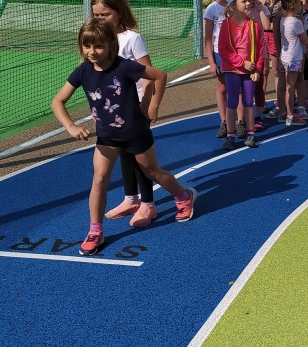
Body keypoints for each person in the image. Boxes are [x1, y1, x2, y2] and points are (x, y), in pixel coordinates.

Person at [52, 19, 198, 256]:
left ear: (111, 44)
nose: (92, 52)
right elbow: (58, 101)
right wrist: (71, 127)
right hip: (106, 137)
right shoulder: (83, 71)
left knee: (152, 171)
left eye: (98, 46)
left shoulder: (125, 67)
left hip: (135, 133)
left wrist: (152, 106)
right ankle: (95, 230)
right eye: (86, 46)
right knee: (99, 179)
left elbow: (160, 76)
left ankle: (184, 195)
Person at [89, 0, 160, 227]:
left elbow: (150, 75)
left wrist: (148, 105)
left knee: (140, 158)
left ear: (119, 12)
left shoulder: (132, 38)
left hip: (135, 107)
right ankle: (131, 198)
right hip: (114, 110)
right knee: (124, 154)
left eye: (105, 14)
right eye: (96, 15)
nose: (101, 19)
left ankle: (148, 204)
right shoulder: (99, 41)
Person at [218, 0, 264, 150]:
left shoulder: (254, 25)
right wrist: (241, 62)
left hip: (249, 72)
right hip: (232, 70)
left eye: (249, 1)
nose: (248, 4)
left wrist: (257, 68)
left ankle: (250, 133)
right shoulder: (226, 25)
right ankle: (230, 135)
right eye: (244, 1)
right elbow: (223, 50)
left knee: (248, 102)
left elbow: (259, 48)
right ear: (233, 4)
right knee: (232, 102)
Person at [204, 0, 246, 140]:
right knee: (223, 88)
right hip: (220, 54)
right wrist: (211, 62)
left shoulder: (238, 6)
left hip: (239, 52)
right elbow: (208, 38)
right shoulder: (212, 8)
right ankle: (224, 121)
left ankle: (240, 121)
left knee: (240, 89)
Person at [268, 0, 303, 122]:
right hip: (285, 52)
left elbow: (301, 26)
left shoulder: (298, 6)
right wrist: (278, 50)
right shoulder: (279, 8)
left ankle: (298, 107)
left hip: (296, 50)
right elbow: (276, 33)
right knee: (285, 83)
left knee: (296, 80)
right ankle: (284, 111)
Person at [239, 0, 272, 133]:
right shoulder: (239, 9)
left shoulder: (260, 8)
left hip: (259, 52)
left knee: (258, 85)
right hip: (243, 54)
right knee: (244, 87)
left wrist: (260, 10)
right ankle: (243, 118)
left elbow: (266, 26)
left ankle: (258, 116)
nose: (251, 1)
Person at [279, 0, 308, 126]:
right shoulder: (296, 22)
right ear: (294, 5)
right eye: (299, 2)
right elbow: (304, 39)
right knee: (290, 87)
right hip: (294, 58)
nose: (300, 5)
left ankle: (288, 113)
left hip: (285, 57)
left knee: (289, 86)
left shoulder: (283, 19)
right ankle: (290, 115)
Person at [258, 0, 280, 115]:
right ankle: (262, 100)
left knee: (276, 71)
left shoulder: (278, 5)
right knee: (264, 71)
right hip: (263, 39)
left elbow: (272, 25)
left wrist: (271, 26)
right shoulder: (263, 4)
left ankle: (279, 100)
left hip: (274, 39)